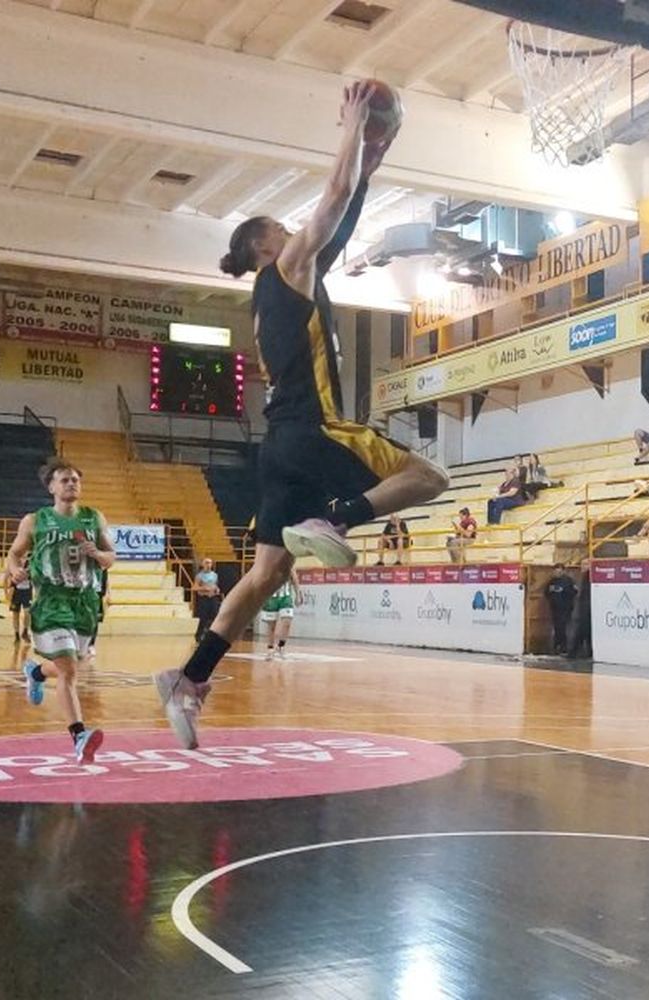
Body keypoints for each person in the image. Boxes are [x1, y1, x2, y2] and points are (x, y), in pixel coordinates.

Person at [155, 83, 450, 749]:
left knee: (264, 577)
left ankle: (187, 681)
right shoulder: (285, 266)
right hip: (313, 428)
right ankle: (334, 519)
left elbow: (342, 219)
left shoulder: (282, 288)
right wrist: (350, 131)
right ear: (265, 243)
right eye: (283, 230)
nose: (295, 233)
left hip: (278, 445)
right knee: (428, 476)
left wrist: (374, 159)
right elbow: (332, 204)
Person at [8, 459, 115, 764]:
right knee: (69, 672)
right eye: (65, 480)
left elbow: (111, 558)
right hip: (52, 600)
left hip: (84, 601)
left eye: (75, 480)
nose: (71, 484)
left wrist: (99, 554)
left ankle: (36, 671)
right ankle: (79, 736)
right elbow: (14, 555)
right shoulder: (35, 520)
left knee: (71, 668)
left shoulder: (94, 518)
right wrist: (16, 571)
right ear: (51, 487)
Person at [260, 569, 301, 660]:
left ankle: (281, 646)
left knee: (287, 621)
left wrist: (298, 595)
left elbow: (294, 579)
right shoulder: (268, 563)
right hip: (271, 598)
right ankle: (270, 649)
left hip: (285, 597)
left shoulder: (287, 562)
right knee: (272, 626)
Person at [544, 565, 577, 656]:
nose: (557, 573)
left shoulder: (568, 581)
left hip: (565, 608)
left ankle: (564, 647)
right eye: (555, 572)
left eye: (559, 572)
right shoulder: (551, 581)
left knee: (563, 627)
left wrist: (563, 590)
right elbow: (546, 592)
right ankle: (556, 646)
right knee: (557, 627)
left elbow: (574, 592)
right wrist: (550, 592)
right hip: (554, 608)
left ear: (563, 571)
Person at [193, 558, 222, 639]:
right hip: (204, 598)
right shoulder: (199, 576)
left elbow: (215, 585)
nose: (208, 565)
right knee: (203, 618)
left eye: (209, 563)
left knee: (216, 616)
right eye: (206, 563)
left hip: (213, 598)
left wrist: (217, 589)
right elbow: (194, 588)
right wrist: (204, 588)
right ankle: (198, 635)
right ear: (203, 564)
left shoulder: (215, 575)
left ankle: (214, 634)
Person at [4, 566, 32, 642]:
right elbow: (6, 578)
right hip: (16, 592)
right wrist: (6, 593)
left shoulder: (30, 563)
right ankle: (16, 634)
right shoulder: (13, 563)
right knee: (15, 614)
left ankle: (25, 631)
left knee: (27, 612)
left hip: (27, 592)